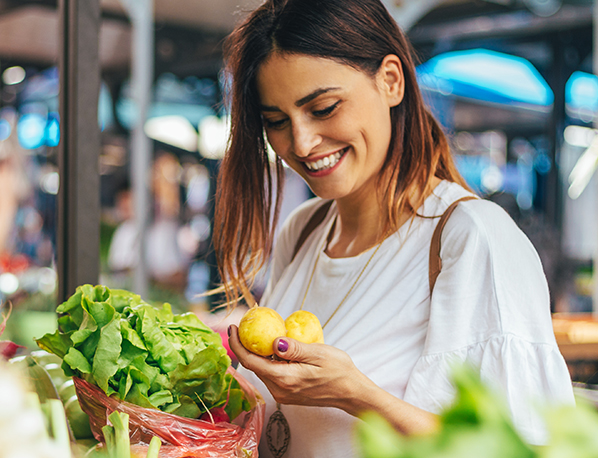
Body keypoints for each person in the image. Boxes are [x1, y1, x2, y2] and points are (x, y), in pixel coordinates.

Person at [212, 0, 575, 456]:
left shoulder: (471, 237)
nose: (301, 143)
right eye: (277, 122)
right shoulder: (302, 231)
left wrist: (357, 395)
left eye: (323, 108)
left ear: (391, 81)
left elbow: (523, 447)